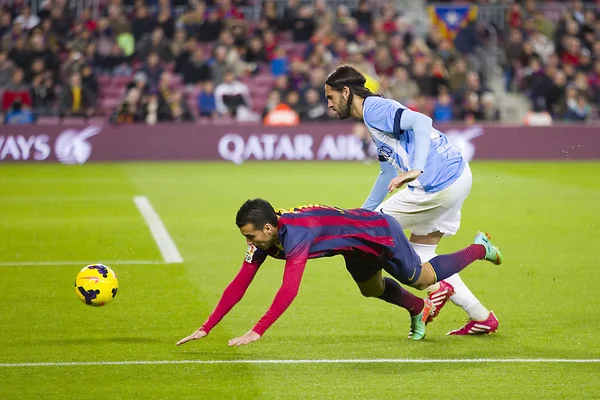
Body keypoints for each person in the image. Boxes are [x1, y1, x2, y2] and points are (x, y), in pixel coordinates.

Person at [177, 199, 503, 347]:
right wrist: (207, 327)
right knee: (371, 289)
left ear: (267, 227)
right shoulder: (265, 237)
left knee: (422, 278)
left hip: (377, 233)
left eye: (250, 236)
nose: (249, 243)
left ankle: (480, 248)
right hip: (352, 247)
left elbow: (289, 288)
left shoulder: (296, 236)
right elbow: (240, 282)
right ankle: (419, 310)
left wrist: (258, 330)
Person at [324, 65, 499, 335]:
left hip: (435, 182)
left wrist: (415, 168)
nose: (329, 105)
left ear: (346, 92)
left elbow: (422, 122)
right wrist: (364, 212)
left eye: (331, 97)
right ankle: (481, 316)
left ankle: (439, 287)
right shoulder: (373, 114)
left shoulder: (374, 109)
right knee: (421, 255)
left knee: (373, 236)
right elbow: (386, 174)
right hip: (458, 175)